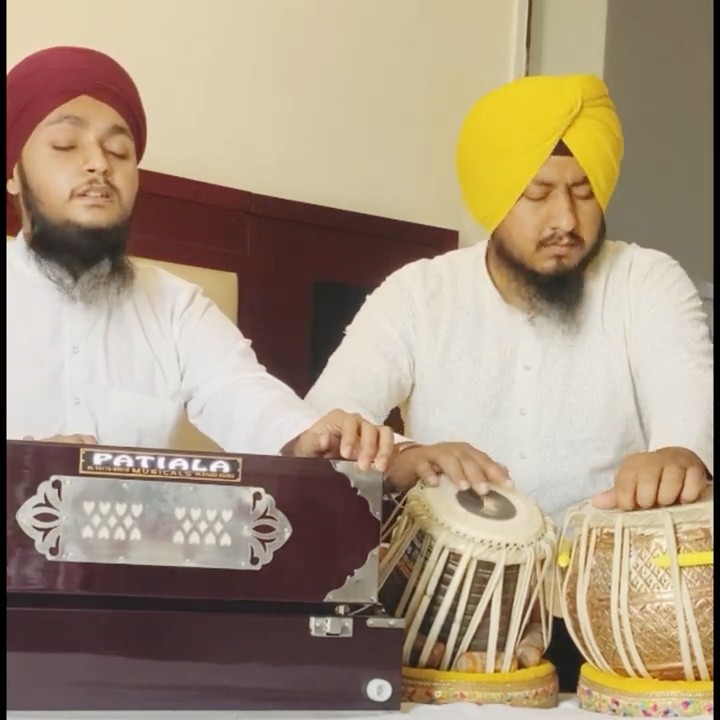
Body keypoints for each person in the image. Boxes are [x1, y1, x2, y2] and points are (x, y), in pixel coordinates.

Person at [306, 74, 713, 690]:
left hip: (618, 619)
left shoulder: (646, 281)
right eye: (537, 194)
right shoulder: (419, 293)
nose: (566, 219)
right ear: (495, 196)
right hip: (444, 613)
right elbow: (326, 429)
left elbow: (688, 403)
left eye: (584, 192)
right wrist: (408, 458)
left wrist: (678, 455)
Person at [6, 45, 394, 472]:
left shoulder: (174, 306)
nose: (99, 164)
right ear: (13, 175)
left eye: (118, 151)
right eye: (65, 145)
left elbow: (242, 393)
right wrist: (22, 465)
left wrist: (307, 438)